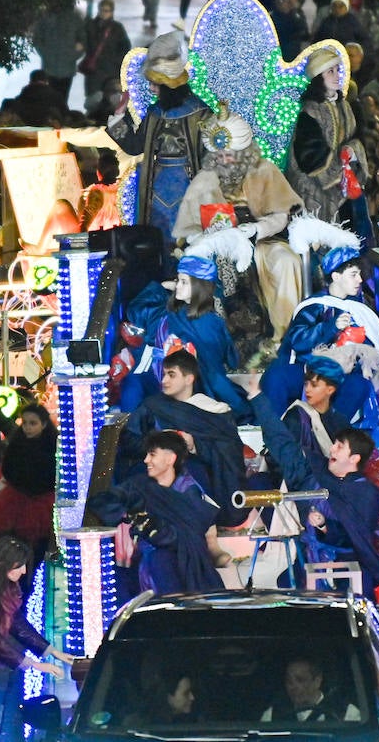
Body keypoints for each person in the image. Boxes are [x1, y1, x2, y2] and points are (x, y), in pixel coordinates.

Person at [171, 107, 304, 340]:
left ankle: (284, 338)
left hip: (263, 241)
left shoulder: (265, 170)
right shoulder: (205, 179)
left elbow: (283, 214)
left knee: (286, 261)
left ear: (244, 151)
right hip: (219, 249)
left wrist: (257, 229)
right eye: (219, 156)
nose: (224, 160)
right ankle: (222, 341)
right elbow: (189, 229)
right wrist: (205, 237)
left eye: (229, 154)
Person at [252, 387, 379, 597]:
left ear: (354, 458)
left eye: (339, 447)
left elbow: (354, 534)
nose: (331, 450)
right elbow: (284, 446)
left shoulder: (366, 493)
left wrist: (325, 525)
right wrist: (258, 399)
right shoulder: (315, 475)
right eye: (334, 445)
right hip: (310, 561)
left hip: (349, 570)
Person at [260, 245, 379, 426]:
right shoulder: (314, 305)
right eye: (353, 275)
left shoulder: (360, 309)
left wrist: (367, 362)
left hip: (342, 374)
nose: (359, 280)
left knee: (359, 385)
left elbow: (370, 345)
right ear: (336, 277)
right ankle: (281, 433)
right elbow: (298, 340)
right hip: (309, 370)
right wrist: (331, 327)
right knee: (277, 376)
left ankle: (329, 434)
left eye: (359, 274)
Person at [0, 538, 74, 742]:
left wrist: (52, 651)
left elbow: (17, 623)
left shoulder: (5, 586)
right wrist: (33, 665)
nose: (23, 572)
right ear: (5, 563)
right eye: (19, 565)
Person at [119, 348, 246, 531]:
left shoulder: (214, 411)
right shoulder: (152, 406)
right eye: (163, 375)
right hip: (155, 473)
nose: (164, 381)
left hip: (200, 477)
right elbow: (129, 442)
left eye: (171, 375)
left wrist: (195, 446)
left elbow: (229, 451)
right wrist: (158, 443)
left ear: (189, 379)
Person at [89, 430, 225, 595]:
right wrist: (127, 514)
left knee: (161, 560)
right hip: (141, 561)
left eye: (152, 455)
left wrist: (149, 526)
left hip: (179, 562)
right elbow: (101, 501)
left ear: (170, 459)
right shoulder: (139, 484)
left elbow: (183, 536)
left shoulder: (189, 491)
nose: (146, 460)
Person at [107, 30, 212, 239]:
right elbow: (135, 146)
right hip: (155, 189)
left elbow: (210, 157)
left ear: (169, 87)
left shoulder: (200, 113)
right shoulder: (155, 113)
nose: (151, 88)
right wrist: (120, 116)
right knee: (159, 235)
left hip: (189, 187)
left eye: (155, 83)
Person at [117, 254, 249, 419]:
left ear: (199, 286)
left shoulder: (210, 323)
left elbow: (216, 366)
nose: (178, 286)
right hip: (160, 376)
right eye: (178, 280)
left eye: (184, 282)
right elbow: (137, 311)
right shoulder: (168, 313)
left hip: (191, 384)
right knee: (132, 384)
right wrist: (164, 285)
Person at [288, 46, 369, 229]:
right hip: (315, 187)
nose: (336, 75)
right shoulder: (309, 111)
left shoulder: (347, 107)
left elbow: (358, 137)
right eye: (330, 71)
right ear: (319, 77)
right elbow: (309, 157)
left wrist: (353, 151)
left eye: (338, 70)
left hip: (345, 184)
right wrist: (339, 163)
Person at [0, 404, 58, 559]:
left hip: (43, 500)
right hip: (18, 499)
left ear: (44, 424)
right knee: (17, 546)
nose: (27, 427)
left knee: (42, 547)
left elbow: (54, 474)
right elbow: (8, 469)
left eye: (33, 423)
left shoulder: (53, 445)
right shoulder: (16, 443)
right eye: (25, 423)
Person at [259, 656, 363, 722]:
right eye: (289, 681)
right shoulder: (273, 715)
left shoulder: (346, 713)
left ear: (317, 681)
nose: (293, 686)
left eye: (300, 680)